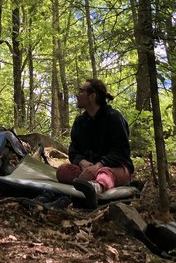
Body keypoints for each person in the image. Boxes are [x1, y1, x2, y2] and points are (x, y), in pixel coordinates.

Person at [56, 78, 134, 208]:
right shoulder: (80, 122)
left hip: (115, 168)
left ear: (92, 96)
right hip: (88, 169)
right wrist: (82, 162)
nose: (77, 95)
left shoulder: (114, 118)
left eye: (81, 91)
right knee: (62, 171)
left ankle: (96, 188)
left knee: (104, 173)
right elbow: (73, 150)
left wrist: (98, 166)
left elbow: (120, 152)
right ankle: (89, 185)